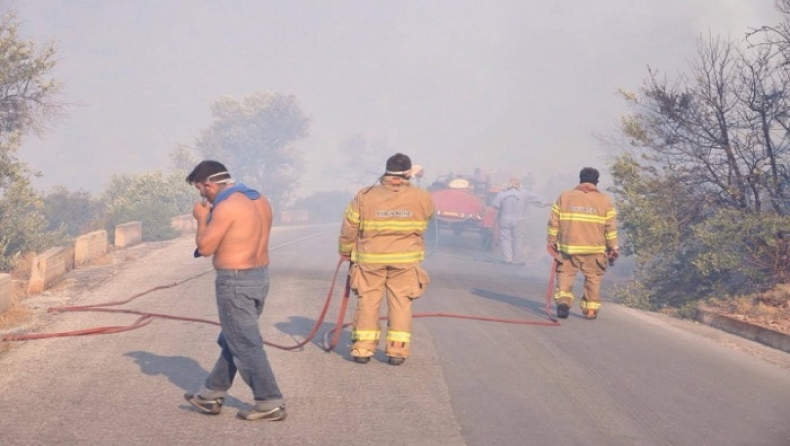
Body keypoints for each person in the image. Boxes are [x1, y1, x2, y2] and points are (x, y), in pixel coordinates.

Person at [183, 160, 286, 421]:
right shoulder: (258, 199)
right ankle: (210, 395)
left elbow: (206, 248)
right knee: (234, 338)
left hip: (235, 281)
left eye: (201, 190)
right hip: (259, 277)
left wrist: (201, 218)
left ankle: (269, 401)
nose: (202, 196)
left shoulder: (227, 207)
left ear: (209, 184)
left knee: (245, 343)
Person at [339, 153, 435, 366]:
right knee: (401, 304)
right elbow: (428, 217)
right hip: (405, 261)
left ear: (386, 170)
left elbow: (350, 226)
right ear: (408, 172)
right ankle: (396, 352)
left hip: (370, 260)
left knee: (368, 302)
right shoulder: (422, 197)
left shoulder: (365, 195)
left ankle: (362, 350)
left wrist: (345, 251)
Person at [546, 167, 619, 320]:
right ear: (596, 182)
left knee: (565, 274)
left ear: (580, 179)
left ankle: (563, 303)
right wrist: (613, 247)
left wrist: (551, 242)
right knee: (593, 278)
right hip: (595, 249)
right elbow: (610, 227)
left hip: (568, 248)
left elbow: (554, 222)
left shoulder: (564, 196)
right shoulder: (605, 200)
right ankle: (591, 310)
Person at [490, 177, 551, 264]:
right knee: (518, 239)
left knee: (505, 239)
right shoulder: (524, 193)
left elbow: (495, 205)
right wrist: (550, 202)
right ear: (519, 184)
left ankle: (507, 259)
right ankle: (517, 260)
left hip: (505, 219)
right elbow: (538, 199)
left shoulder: (502, 194)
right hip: (519, 219)